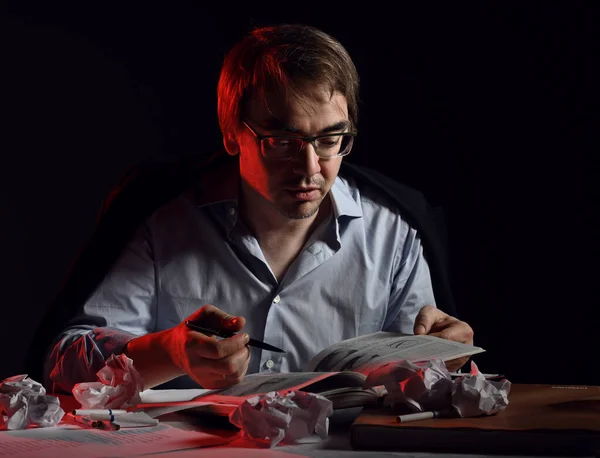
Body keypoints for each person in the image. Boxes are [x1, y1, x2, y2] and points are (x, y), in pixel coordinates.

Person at [37, 23, 474, 394]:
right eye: (282, 141)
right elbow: (62, 365)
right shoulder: (163, 223)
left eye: (329, 139)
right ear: (232, 134)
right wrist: (170, 352)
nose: (310, 168)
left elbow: (417, 390)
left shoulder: (394, 236)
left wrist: (449, 360)